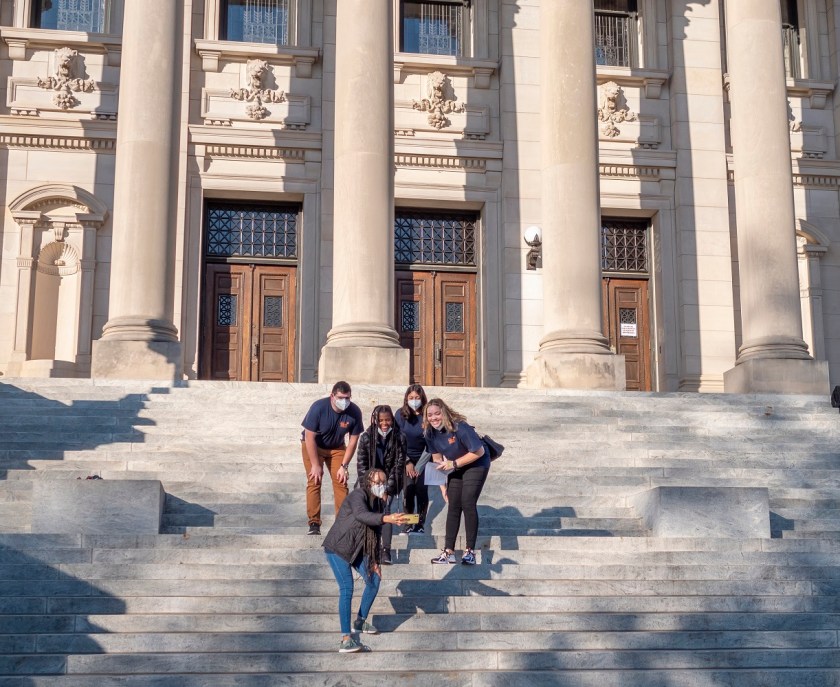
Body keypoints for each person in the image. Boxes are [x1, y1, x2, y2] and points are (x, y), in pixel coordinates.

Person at [323, 468, 407, 653]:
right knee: (347, 588)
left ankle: (359, 622)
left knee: (374, 579)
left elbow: (375, 534)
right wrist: (387, 518)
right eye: (377, 482)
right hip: (338, 548)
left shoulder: (378, 503)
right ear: (368, 483)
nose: (381, 486)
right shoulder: (357, 495)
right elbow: (362, 515)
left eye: (383, 482)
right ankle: (346, 638)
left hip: (358, 549)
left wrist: (375, 560)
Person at [424, 398, 489, 565]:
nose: (434, 418)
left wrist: (453, 464)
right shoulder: (430, 433)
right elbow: (437, 461)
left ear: (444, 412)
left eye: (437, 413)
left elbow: (479, 451)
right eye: (430, 415)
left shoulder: (459, 427)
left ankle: (470, 552)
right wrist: (442, 487)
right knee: (453, 505)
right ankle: (449, 552)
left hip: (476, 463)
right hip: (455, 466)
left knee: (467, 501)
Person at [300, 381, 364, 536]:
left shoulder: (354, 411)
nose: (344, 401)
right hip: (314, 445)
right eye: (341, 398)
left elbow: (353, 440)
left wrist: (344, 465)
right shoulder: (319, 407)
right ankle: (314, 522)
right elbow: (309, 436)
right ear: (332, 396)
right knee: (314, 480)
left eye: (347, 398)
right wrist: (315, 464)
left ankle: (341, 522)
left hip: (337, 448)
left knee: (341, 482)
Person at [355, 405, 407, 564]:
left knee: (386, 510)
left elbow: (398, 466)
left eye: (388, 420)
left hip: (390, 482)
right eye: (381, 420)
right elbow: (361, 464)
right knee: (367, 511)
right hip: (369, 481)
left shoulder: (400, 437)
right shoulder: (365, 437)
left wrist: (387, 489)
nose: (385, 423)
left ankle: (386, 550)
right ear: (375, 420)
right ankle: (368, 547)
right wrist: (371, 485)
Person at [395, 384, 430, 534]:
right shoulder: (400, 414)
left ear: (422, 399)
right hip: (405, 457)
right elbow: (396, 439)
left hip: (425, 458)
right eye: (411, 398)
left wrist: (419, 466)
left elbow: (431, 443)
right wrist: (408, 462)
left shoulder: (428, 415)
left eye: (417, 398)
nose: (414, 400)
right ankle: (408, 523)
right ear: (406, 399)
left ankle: (420, 524)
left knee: (421, 489)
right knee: (408, 489)